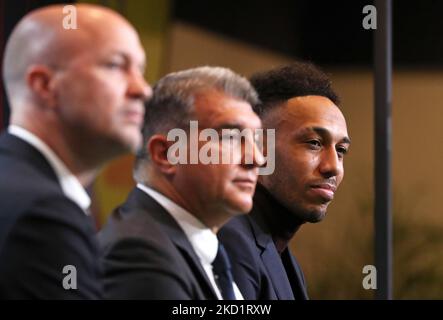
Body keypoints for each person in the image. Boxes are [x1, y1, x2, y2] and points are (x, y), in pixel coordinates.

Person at [0, 4, 152, 299]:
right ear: (44, 85)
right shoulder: (43, 215)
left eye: (140, 70)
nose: (142, 89)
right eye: (115, 65)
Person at [99, 66, 265, 299]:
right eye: (231, 137)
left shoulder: (201, 254)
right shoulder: (140, 254)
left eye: (255, 140)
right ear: (166, 154)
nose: (256, 158)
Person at [219, 62, 351, 300]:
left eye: (341, 150)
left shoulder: (283, 256)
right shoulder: (230, 242)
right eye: (314, 143)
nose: (333, 166)